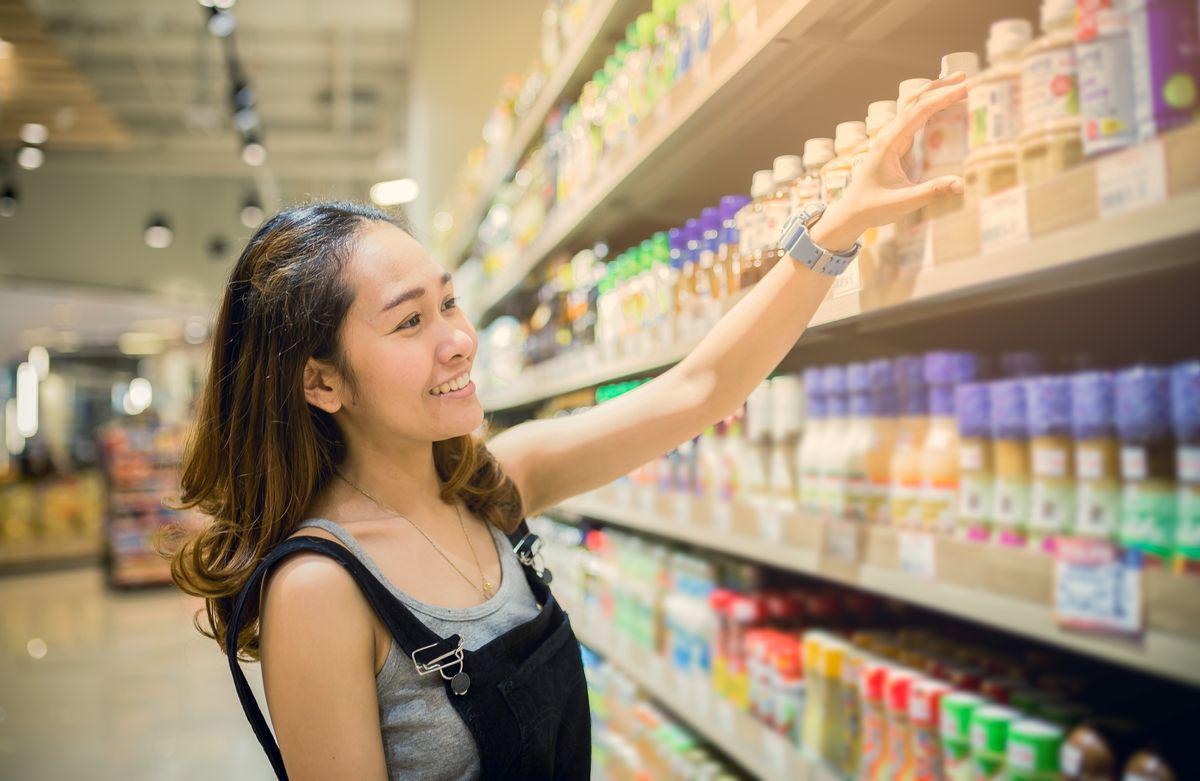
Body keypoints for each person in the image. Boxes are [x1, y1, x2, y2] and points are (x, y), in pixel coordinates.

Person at [167, 74, 969, 780]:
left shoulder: (493, 488)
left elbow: (699, 388)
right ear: (321, 380)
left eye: (448, 301)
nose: (459, 339)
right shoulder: (321, 588)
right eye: (410, 322)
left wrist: (834, 229)